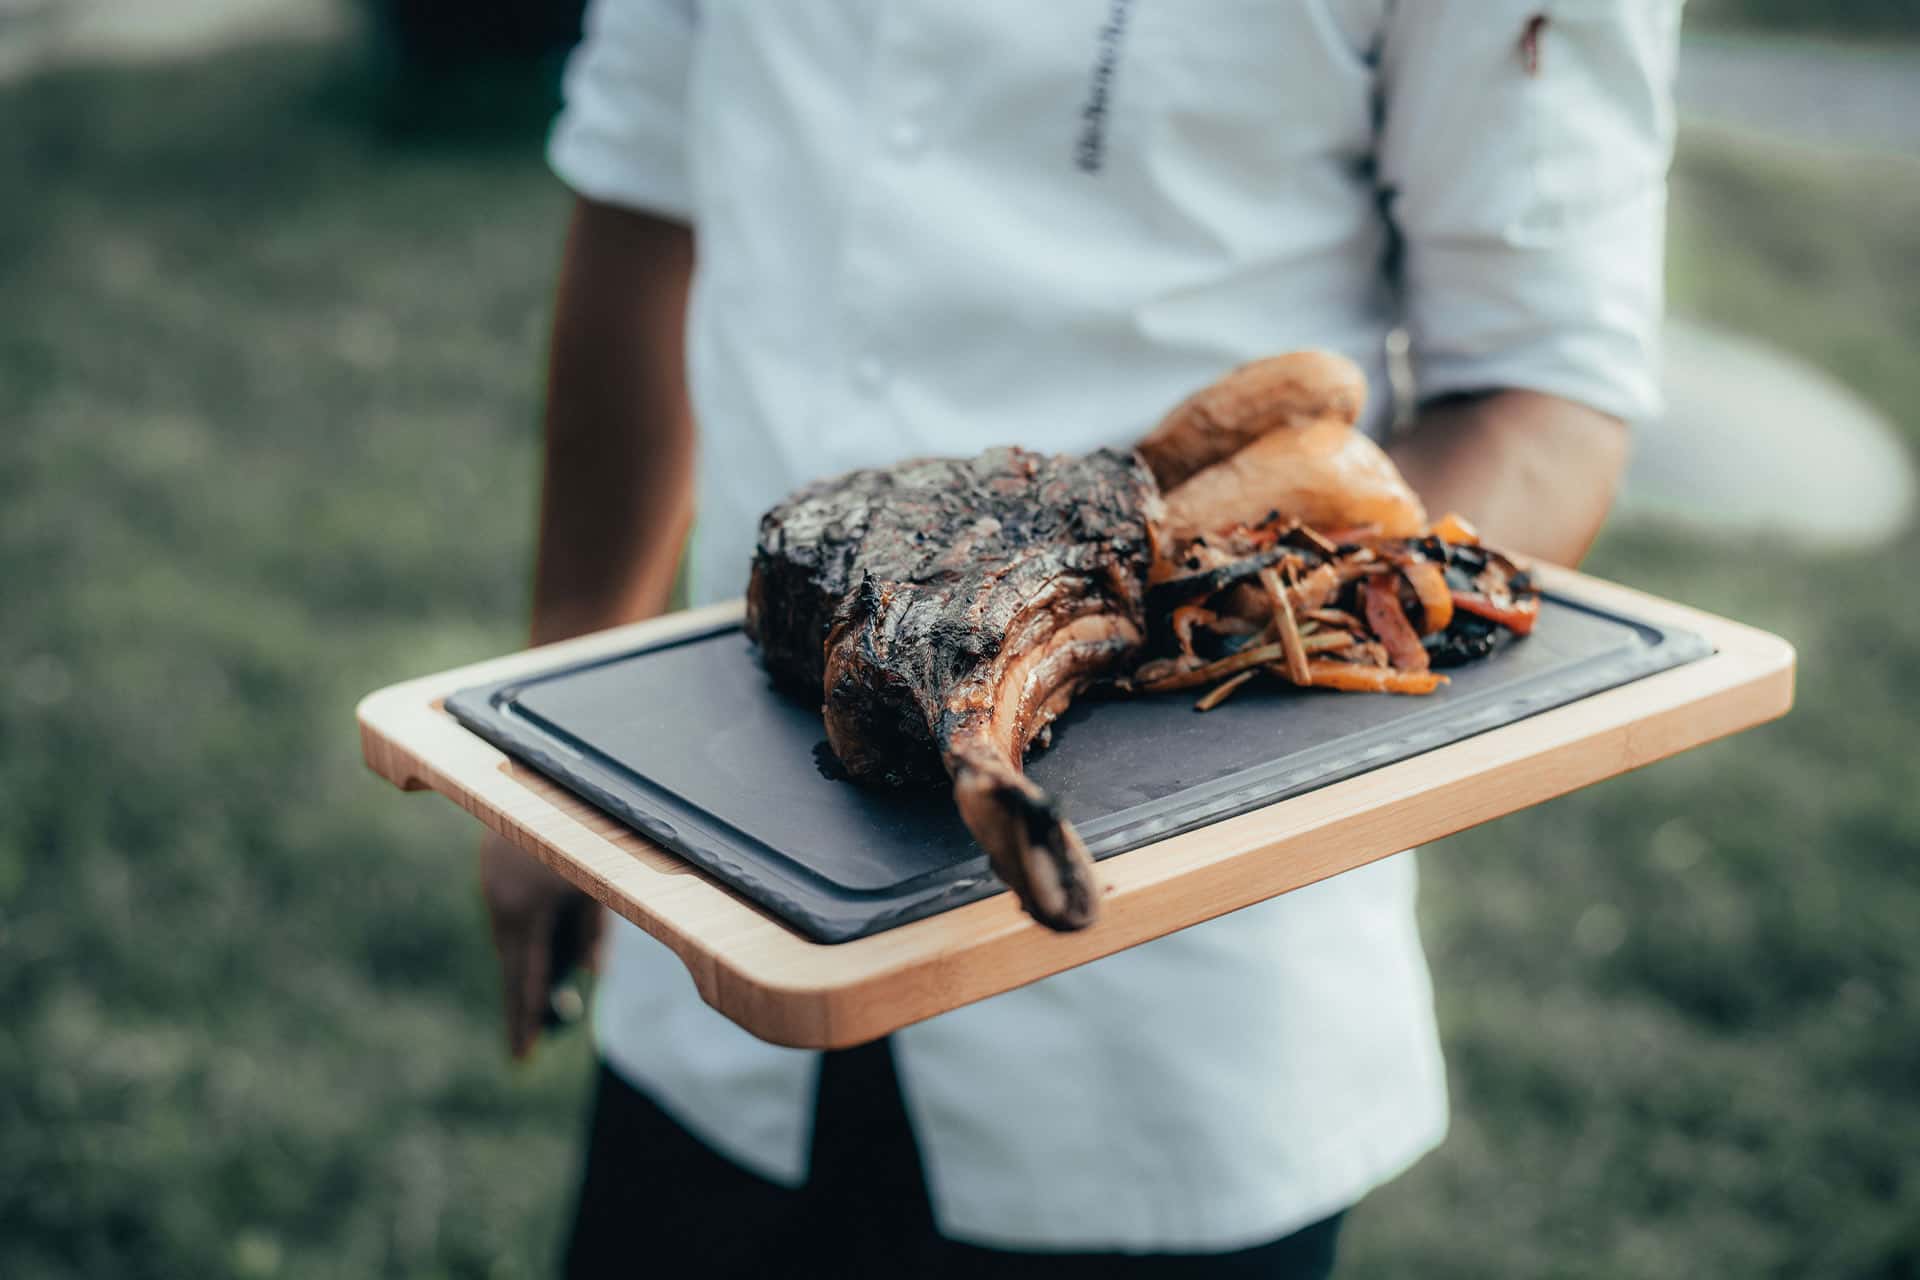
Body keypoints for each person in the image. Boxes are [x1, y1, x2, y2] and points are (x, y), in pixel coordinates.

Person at [479, 2, 1679, 1275]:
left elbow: (1544, 390)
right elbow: (642, 189)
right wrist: (557, 731)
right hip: (712, 892)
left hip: (1166, 1011)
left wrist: (1180, 634)